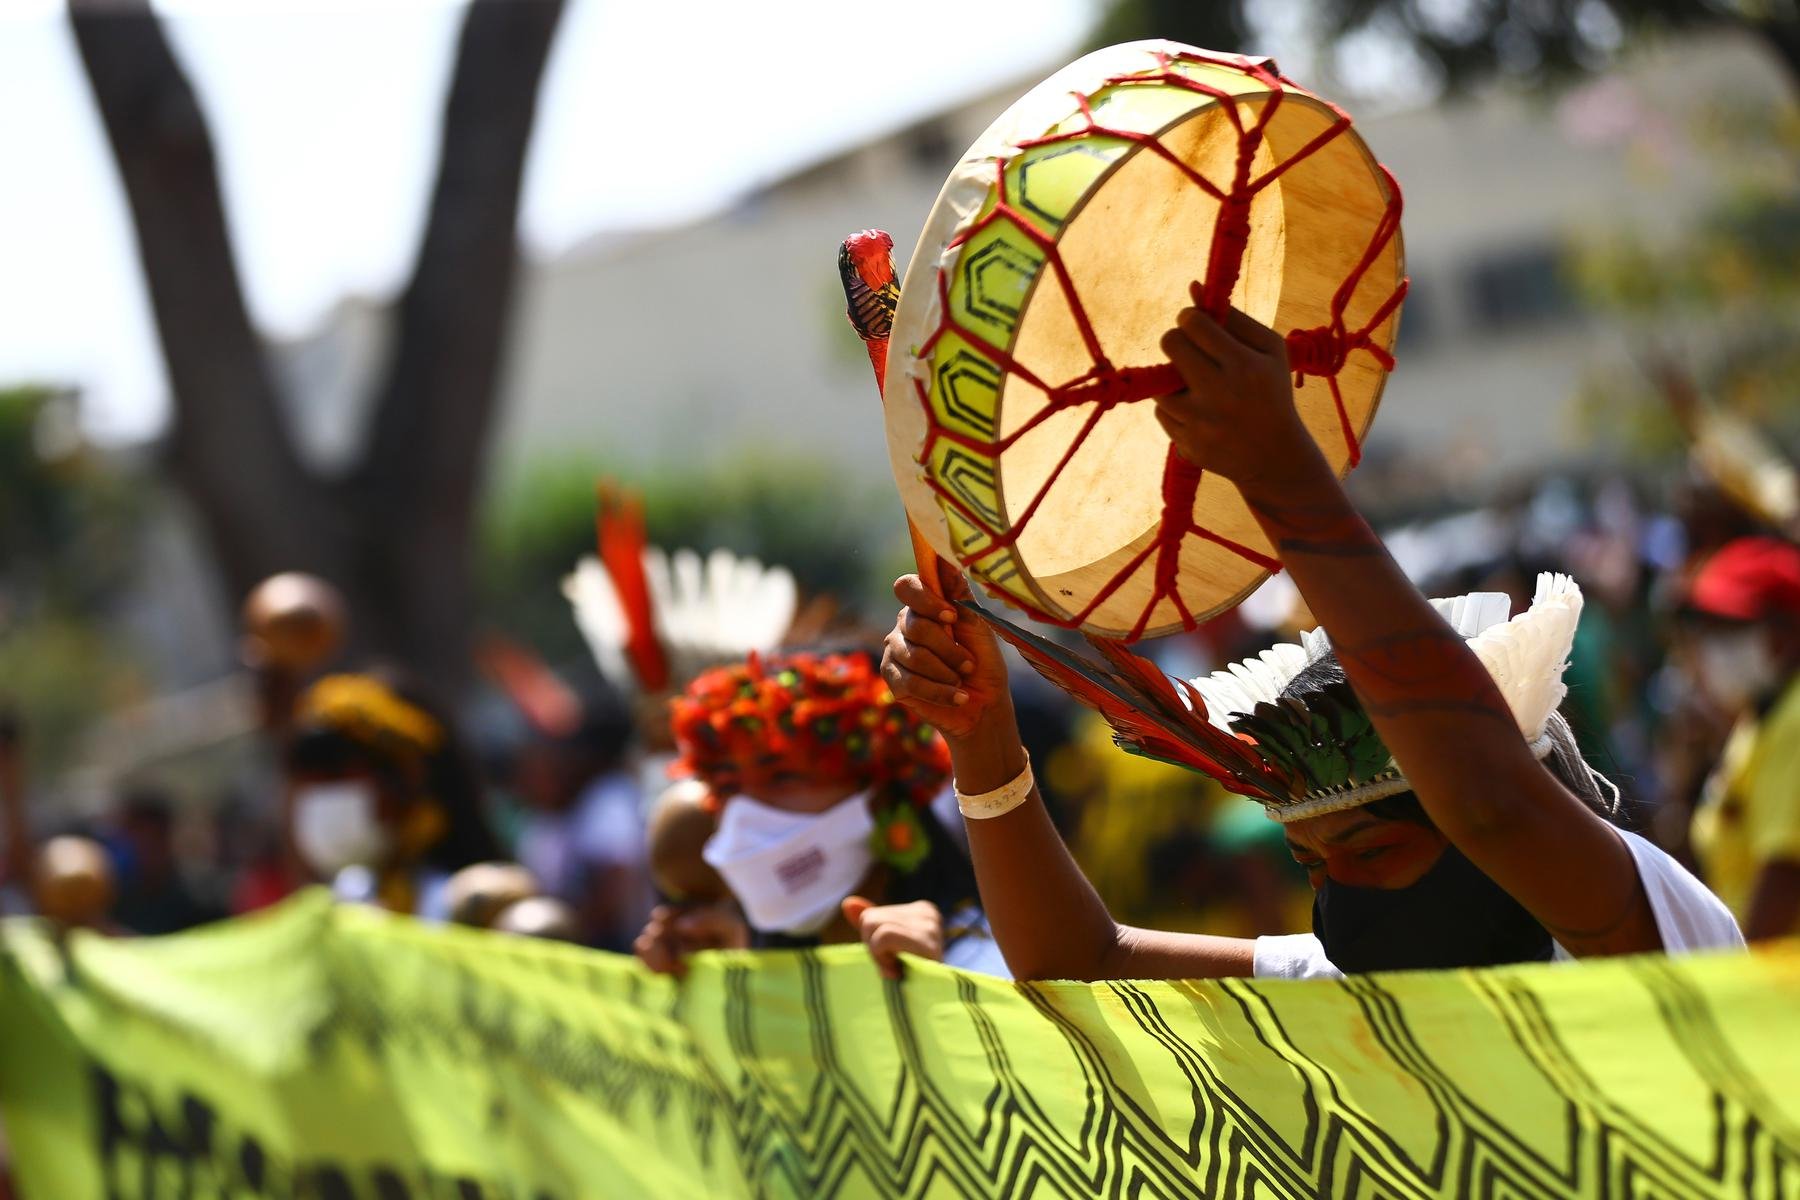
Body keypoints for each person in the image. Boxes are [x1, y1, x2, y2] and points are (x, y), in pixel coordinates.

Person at [880, 293, 1741, 980]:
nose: (1338, 905)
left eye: (1369, 848)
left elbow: (1491, 805)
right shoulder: (1340, 988)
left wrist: (1277, 465)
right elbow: (1080, 963)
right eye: (1310, 866)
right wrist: (982, 737)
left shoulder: (1657, 936)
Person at [633, 650, 1008, 980]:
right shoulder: (747, 964)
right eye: (727, 788)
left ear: (877, 795)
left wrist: (941, 989)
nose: (745, 814)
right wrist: (717, 983)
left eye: (782, 777)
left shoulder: (986, 961)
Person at [283, 672, 500, 919]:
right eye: (308, 780)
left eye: (334, 772)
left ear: (406, 783)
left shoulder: (476, 908)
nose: (319, 795)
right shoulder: (320, 913)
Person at [1684, 536, 1800, 939]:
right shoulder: (1760, 717)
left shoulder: (1794, 722)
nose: (1717, 647)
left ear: (1788, 631)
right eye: (1710, 630)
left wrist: (1739, 991)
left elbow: (1784, 879)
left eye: (1733, 629)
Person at [509, 688, 652, 950]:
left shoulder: (608, 799)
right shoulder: (546, 821)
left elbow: (613, 893)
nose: (527, 783)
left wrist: (562, 939)